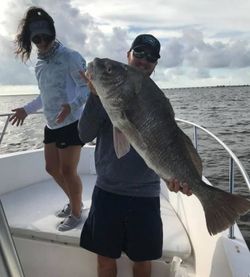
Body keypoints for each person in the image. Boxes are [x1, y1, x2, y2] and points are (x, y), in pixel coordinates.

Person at [78, 34, 192, 277]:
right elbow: (84, 134)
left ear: (155, 65)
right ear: (128, 55)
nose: (144, 60)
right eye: (139, 52)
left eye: (151, 57)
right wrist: (95, 96)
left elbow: (167, 145)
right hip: (107, 193)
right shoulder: (104, 96)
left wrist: (173, 178)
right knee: (105, 261)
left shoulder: (157, 100)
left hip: (145, 197)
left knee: (142, 262)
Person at [10, 7, 89, 231]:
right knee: (51, 168)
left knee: (67, 171)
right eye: (37, 38)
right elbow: (44, 95)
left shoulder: (71, 57)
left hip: (72, 123)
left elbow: (87, 89)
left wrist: (71, 106)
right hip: (52, 124)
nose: (42, 42)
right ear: (31, 39)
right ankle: (77, 202)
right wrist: (26, 109)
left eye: (46, 37)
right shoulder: (40, 64)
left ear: (53, 33)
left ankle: (76, 213)